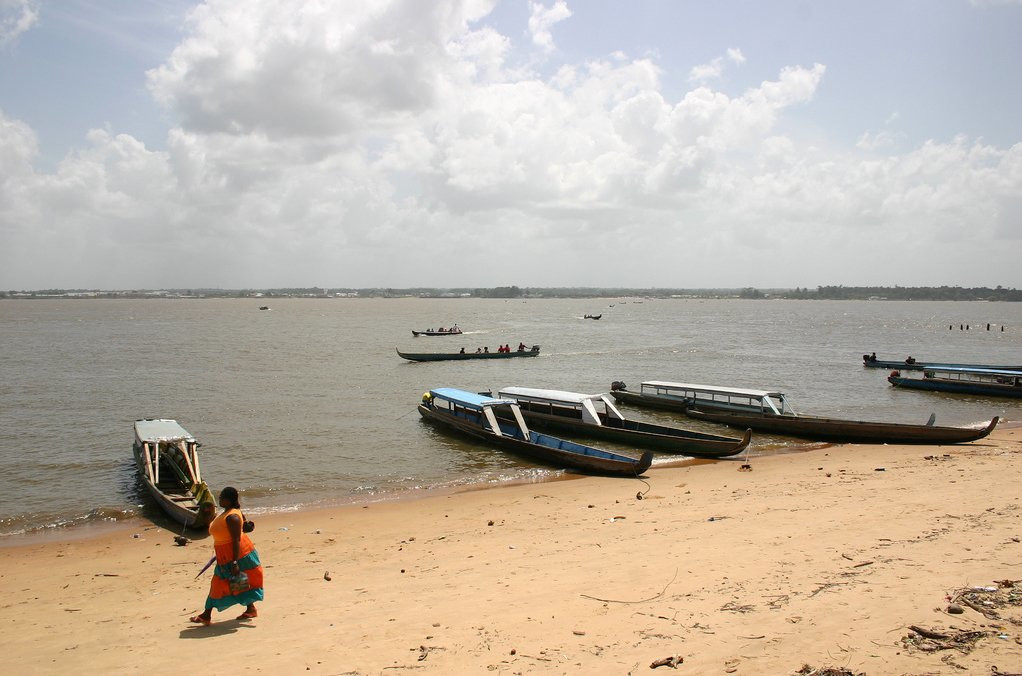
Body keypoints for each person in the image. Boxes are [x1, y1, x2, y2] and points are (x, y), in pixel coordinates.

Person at [190, 487, 264, 625]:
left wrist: (235, 563)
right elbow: (242, 527)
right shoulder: (227, 513)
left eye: (222, 497)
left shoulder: (232, 517)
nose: (219, 499)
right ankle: (251, 608)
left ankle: (206, 615)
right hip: (225, 554)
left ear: (229, 500)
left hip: (237, 555)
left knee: (219, 583)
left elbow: (236, 539)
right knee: (238, 581)